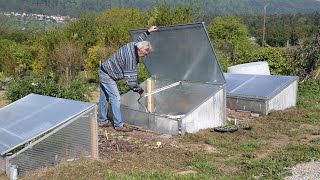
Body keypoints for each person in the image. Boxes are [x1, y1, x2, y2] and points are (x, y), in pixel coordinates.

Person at [98, 26, 158, 132]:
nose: (145, 56)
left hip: (104, 69)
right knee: (116, 98)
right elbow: (131, 81)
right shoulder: (130, 58)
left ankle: (102, 121)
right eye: (145, 54)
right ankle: (118, 125)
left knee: (104, 98)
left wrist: (148, 31)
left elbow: (139, 39)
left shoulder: (133, 45)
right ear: (140, 50)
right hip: (107, 75)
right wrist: (140, 90)